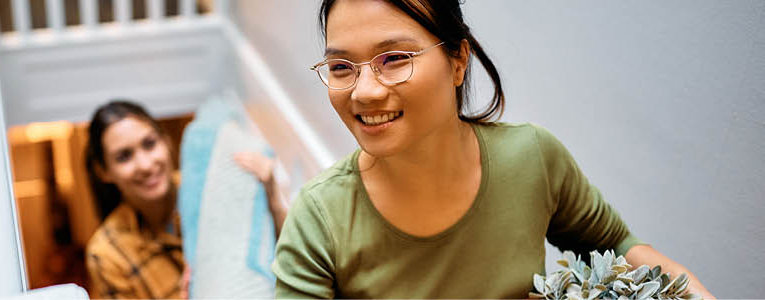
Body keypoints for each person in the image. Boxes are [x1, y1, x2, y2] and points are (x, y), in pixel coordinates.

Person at [271, 0, 716, 298]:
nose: (364, 91)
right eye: (341, 66)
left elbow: (616, 244)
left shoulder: (534, 158)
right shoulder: (319, 219)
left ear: (458, 60)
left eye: (395, 59)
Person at [82, 100, 289, 299]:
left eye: (150, 144)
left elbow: (282, 257)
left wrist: (272, 199)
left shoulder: (208, 188)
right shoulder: (108, 253)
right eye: (124, 156)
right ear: (103, 171)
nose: (144, 164)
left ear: (166, 141)